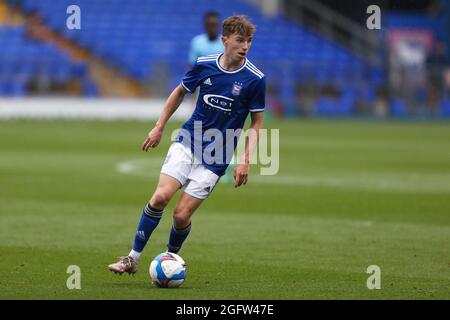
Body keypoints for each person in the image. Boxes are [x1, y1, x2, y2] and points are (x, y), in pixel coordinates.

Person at [108, 15, 266, 275]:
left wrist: (245, 159)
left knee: (181, 216)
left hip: (218, 155)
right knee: (160, 197)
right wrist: (159, 126)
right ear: (225, 40)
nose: (245, 46)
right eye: (240, 40)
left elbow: (256, 122)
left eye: (249, 41)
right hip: (189, 140)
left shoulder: (255, 79)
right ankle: (132, 258)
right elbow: (180, 91)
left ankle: (170, 259)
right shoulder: (204, 65)